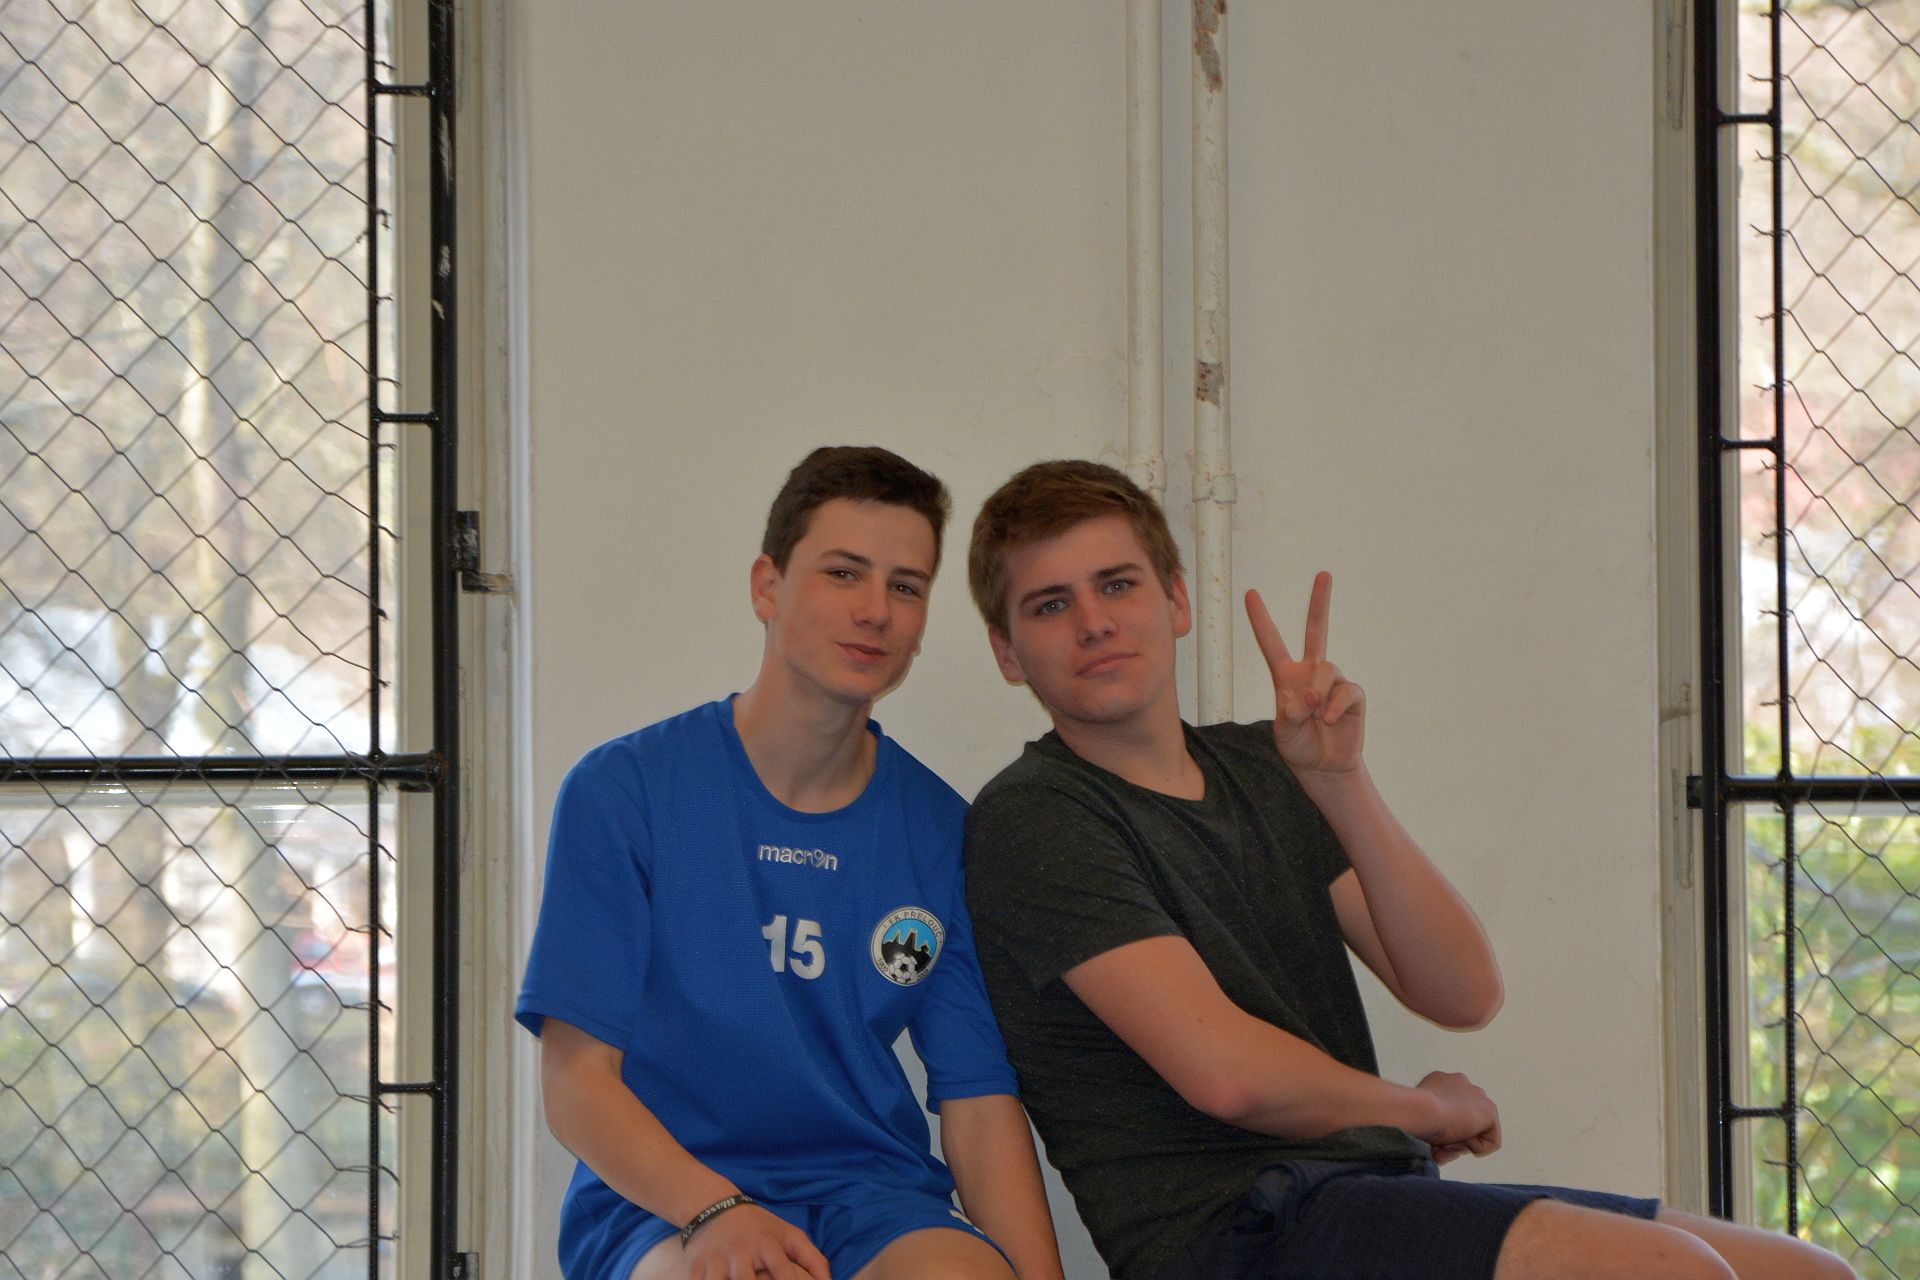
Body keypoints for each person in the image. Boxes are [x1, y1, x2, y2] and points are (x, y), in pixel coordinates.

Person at [960, 459, 1854, 1280]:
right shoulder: (1036, 816)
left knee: (1811, 1275)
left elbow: (1462, 991)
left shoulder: (1264, 766)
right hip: (1234, 1233)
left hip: (1367, 1192)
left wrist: (1339, 783)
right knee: (1675, 1272)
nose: (1094, 622)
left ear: (1177, 599)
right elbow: (1226, 1075)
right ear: (1007, 653)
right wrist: (1418, 1112)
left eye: (1117, 584)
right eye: (1050, 605)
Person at [517, 447, 1064, 1280]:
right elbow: (574, 1080)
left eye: (906, 587)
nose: (875, 611)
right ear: (766, 586)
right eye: (843, 574)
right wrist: (716, 1209)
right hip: (665, 1202)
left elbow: (978, 1101)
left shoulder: (941, 829)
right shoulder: (624, 790)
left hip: (871, 1197)